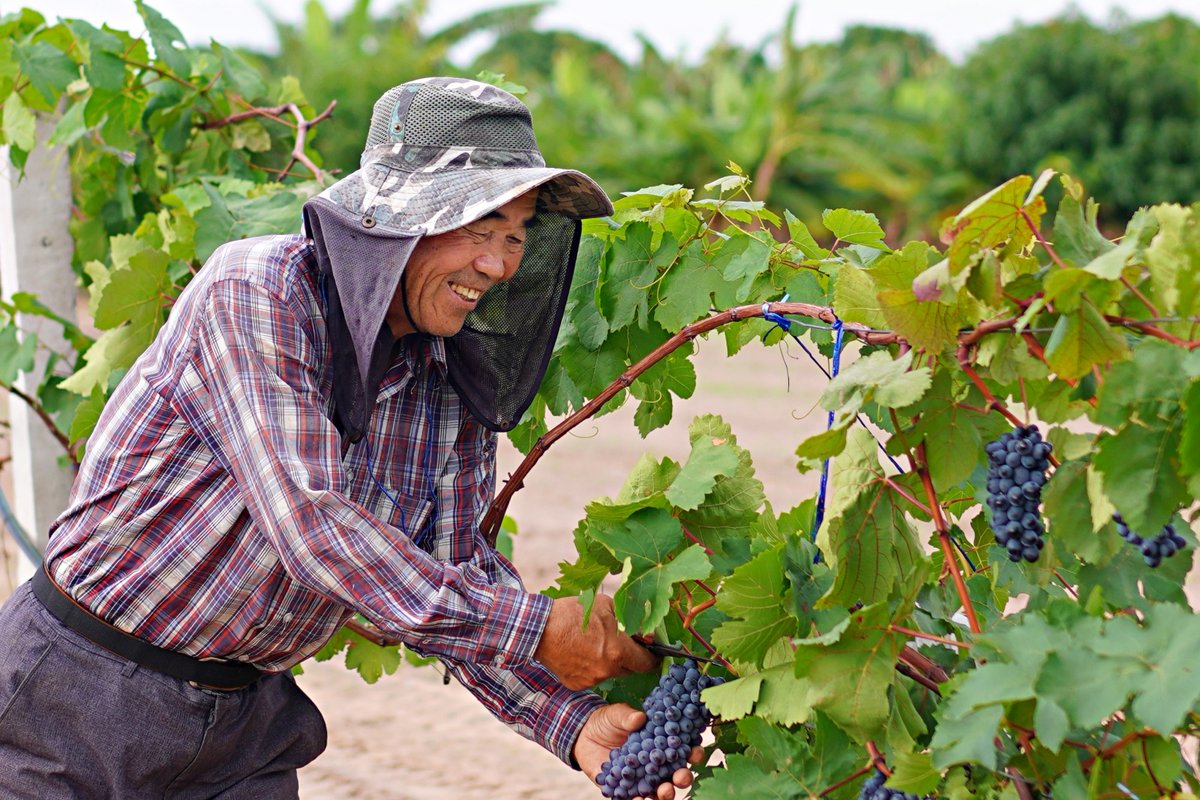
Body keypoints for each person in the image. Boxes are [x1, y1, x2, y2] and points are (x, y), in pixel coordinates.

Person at [0, 77, 701, 799]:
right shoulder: (257, 292)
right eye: (476, 228)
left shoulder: (448, 381)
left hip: (245, 730)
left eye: (516, 235)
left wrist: (572, 723)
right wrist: (532, 628)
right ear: (396, 219)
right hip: (73, 702)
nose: (497, 266)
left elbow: (453, 571)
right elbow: (312, 525)